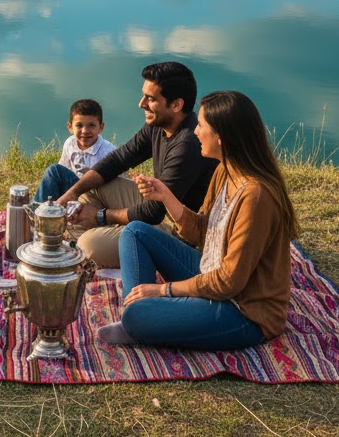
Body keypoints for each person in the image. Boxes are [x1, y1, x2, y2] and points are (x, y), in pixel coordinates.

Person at [96, 90, 298, 351]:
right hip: (211, 274)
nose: (195, 132)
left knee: (138, 315)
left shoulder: (256, 197)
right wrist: (166, 197)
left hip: (245, 311)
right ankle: (139, 314)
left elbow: (228, 283)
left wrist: (164, 290)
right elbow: (204, 232)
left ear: (221, 138)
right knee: (134, 232)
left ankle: (139, 317)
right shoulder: (225, 170)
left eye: (201, 125)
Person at [55, 61, 217, 268]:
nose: (141, 104)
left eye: (150, 99)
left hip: (182, 234)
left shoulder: (187, 144)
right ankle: (108, 237)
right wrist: (72, 192)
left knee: (88, 246)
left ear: (176, 105)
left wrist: (99, 216)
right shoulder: (159, 125)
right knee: (92, 189)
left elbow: (153, 212)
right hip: (161, 209)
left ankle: (106, 240)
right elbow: (119, 159)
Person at [34, 98, 117, 203]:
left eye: (91, 125)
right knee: (54, 171)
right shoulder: (70, 143)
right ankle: (39, 209)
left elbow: (117, 185)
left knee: (54, 170)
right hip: (74, 191)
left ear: (101, 127)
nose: (85, 131)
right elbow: (63, 170)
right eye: (79, 125)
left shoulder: (109, 151)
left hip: (97, 196)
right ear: (70, 127)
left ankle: (41, 212)